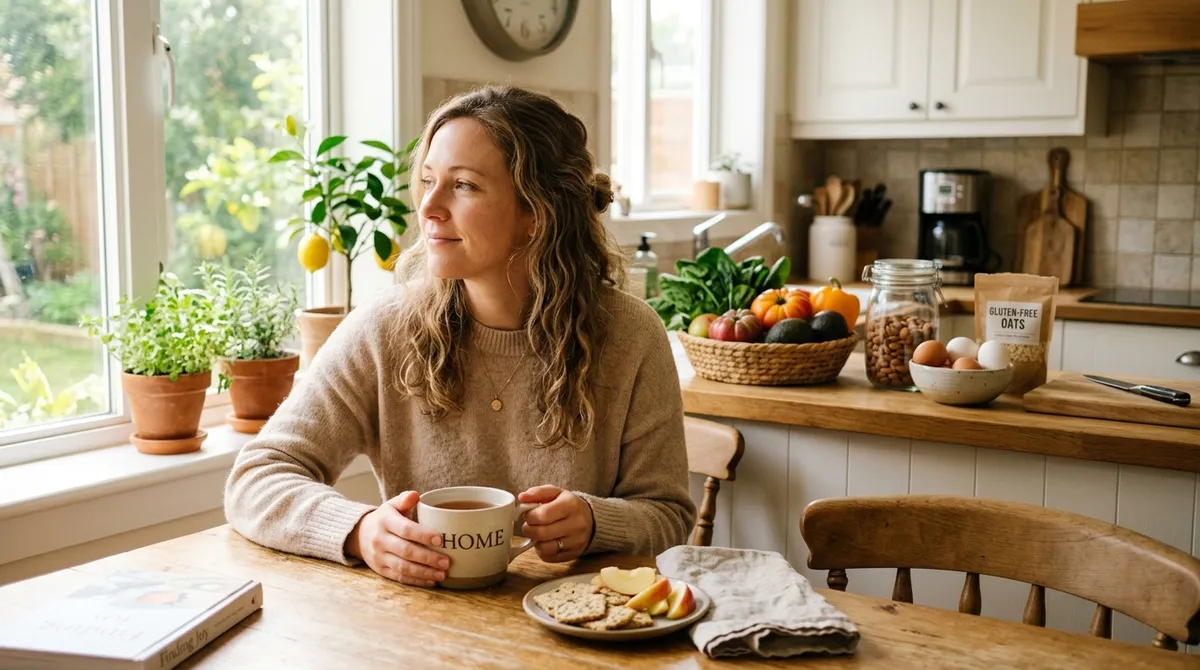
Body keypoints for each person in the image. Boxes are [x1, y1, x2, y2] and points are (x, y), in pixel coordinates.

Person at [223, 84, 696, 587]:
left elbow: (668, 515)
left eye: (464, 185)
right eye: (428, 180)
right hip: (416, 621)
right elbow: (257, 477)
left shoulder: (631, 335)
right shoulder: (384, 328)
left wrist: (598, 522)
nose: (428, 207)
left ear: (536, 213)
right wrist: (360, 530)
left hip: (572, 627)